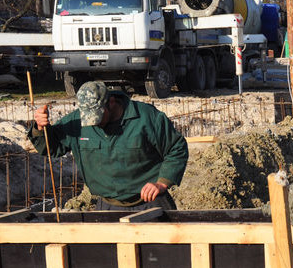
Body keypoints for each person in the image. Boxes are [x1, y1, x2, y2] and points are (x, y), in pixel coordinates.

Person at [30, 81, 188, 211]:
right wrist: (40, 128)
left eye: (98, 116)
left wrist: (162, 183)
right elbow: (50, 148)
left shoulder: (146, 117)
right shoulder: (77, 121)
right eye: (90, 119)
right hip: (108, 207)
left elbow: (176, 148)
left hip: (151, 203)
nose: (95, 123)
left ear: (111, 102)